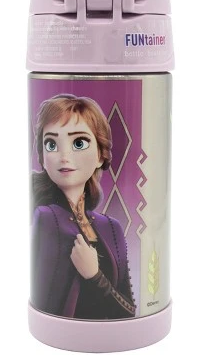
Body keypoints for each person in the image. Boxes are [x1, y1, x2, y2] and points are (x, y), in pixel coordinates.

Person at [30, 94, 136, 319]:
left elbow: (129, 310)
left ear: (100, 155)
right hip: (59, 332)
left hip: (114, 334)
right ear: (42, 157)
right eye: (51, 144)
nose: (64, 156)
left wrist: (95, 275)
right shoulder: (45, 218)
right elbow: (46, 301)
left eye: (79, 143)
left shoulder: (112, 227)